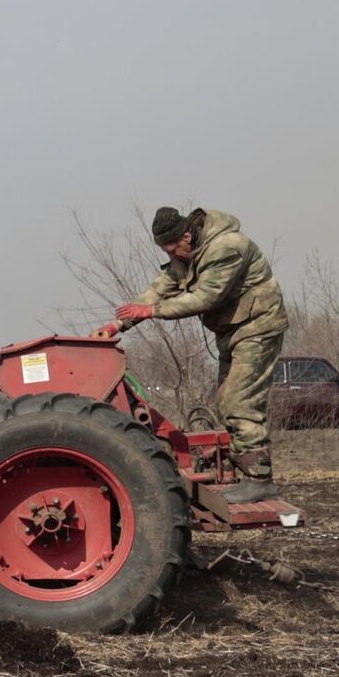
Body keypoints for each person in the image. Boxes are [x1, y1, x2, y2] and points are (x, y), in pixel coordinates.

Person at [114, 207, 290, 502]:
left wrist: (153, 312)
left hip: (258, 327)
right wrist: (120, 323)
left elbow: (206, 297)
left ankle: (260, 479)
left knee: (239, 401)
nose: (173, 257)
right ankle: (245, 466)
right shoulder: (185, 253)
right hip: (233, 331)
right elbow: (161, 287)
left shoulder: (228, 248)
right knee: (224, 401)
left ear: (186, 236)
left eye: (173, 249)